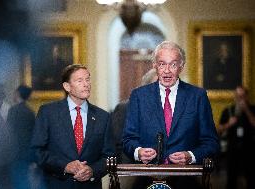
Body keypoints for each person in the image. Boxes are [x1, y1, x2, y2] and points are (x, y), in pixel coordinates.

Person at [122, 41, 220, 189]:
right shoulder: (139, 96)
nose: (167, 70)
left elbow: (211, 143)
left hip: (186, 180)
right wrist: (138, 152)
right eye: (162, 64)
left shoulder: (197, 96)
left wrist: (190, 156)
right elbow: (128, 140)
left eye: (173, 64)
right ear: (154, 65)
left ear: (181, 66)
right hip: (147, 178)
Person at [31, 64, 115, 189]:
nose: (86, 84)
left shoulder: (103, 117)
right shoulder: (48, 113)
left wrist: (92, 171)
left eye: (88, 79)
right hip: (57, 184)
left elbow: (110, 156)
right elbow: (36, 151)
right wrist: (65, 166)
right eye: (79, 80)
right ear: (67, 86)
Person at [218, 86, 255, 189]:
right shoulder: (228, 110)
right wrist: (229, 124)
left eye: (242, 96)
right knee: (231, 178)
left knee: (251, 178)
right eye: (238, 97)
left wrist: (247, 110)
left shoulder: (252, 109)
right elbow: (219, 130)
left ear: (247, 97)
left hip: (250, 148)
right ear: (235, 97)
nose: (240, 99)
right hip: (232, 148)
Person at [6, 85, 39, 189]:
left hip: (15, 152)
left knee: (16, 180)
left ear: (18, 94)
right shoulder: (30, 112)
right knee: (25, 179)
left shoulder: (13, 110)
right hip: (27, 153)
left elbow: (9, 132)